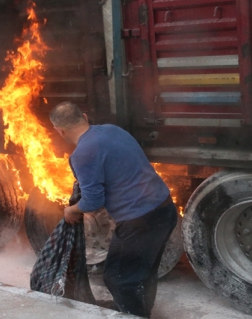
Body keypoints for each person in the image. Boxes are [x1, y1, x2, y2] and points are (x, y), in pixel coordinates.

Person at [49, 101, 177, 318]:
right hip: (164, 210)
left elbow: (93, 201)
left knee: (118, 278)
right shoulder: (113, 130)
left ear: (59, 131)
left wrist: (72, 210)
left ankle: (133, 313)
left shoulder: (82, 153)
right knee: (143, 272)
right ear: (85, 116)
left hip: (139, 221)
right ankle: (137, 311)